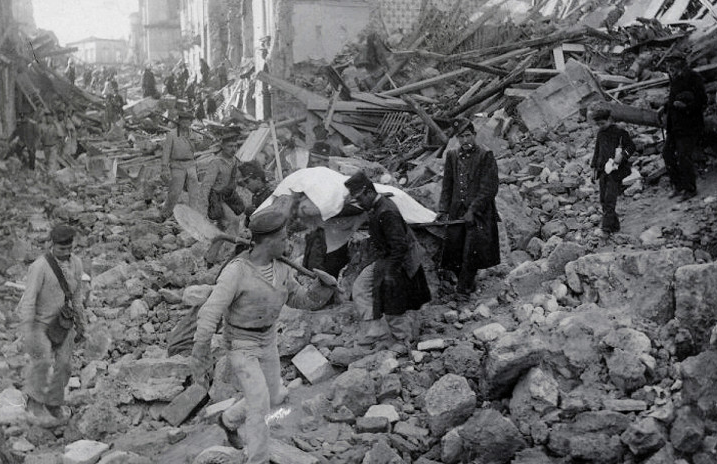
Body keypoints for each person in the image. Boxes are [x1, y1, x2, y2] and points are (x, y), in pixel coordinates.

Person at [191, 209, 336, 462]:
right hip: (241, 343)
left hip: (268, 340)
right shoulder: (236, 272)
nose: (287, 243)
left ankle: (228, 420)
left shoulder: (281, 268)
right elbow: (209, 313)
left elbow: (301, 299)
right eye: (283, 238)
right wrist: (200, 354)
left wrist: (322, 289)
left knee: (271, 395)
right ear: (268, 242)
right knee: (259, 405)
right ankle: (257, 459)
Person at [346, 171, 430, 353]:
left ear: (368, 192)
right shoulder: (377, 207)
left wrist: (391, 272)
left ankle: (403, 340)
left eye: (360, 199)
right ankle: (376, 330)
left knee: (393, 302)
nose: (359, 204)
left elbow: (399, 246)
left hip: (400, 260)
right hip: (387, 258)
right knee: (361, 286)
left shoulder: (387, 211)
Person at [19, 224, 87, 425]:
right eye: (61, 249)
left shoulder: (76, 264)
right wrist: (27, 329)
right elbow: (29, 299)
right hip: (39, 323)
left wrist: (82, 324)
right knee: (42, 362)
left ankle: (54, 402)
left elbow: (76, 297)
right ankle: (35, 402)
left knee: (65, 365)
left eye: (69, 249)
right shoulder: (39, 267)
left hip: (63, 322)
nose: (66, 253)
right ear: (52, 244)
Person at [436, 119, 500, 297]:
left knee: (472, 251)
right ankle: (469, 284)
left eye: (468, 136)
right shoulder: (452, 156)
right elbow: (447, 185)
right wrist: (443, 210)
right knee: (454, 251)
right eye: (461, 137)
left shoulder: (485, 155)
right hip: (457, 212)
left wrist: (473, 210)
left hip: (479, 213)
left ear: (474, 135)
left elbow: (489, 188)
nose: (465, 140)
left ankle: (462, 291)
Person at [661, 50, 707, 201]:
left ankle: (690, 189)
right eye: (667, 64)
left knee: (683, 157)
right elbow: (673, 99)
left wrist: (685, 107)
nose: (668, 67)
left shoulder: (694, 77)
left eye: (671, 64)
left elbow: (703, 102)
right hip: (674, 125)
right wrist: (664, 107)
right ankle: (678, 185)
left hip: (689, 125)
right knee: (667, 154)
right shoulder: (674, 78)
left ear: (680, 63)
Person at [589, 104, 637, 236]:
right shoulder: (600, 134)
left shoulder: (619, 132)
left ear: (609, 119)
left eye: (602, 123)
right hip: (603, 171)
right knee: (603, 200)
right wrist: (594, 168)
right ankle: (615, 226)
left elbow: (631, 146)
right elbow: (597, 151)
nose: (601, 126)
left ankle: (606, 229)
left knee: (610, 200)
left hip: (616, 172)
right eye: (598, 124)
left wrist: (622, 155)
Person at [160, 111, 201, 220]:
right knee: (175, 192)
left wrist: (205, 141)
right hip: (177, 165)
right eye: (183, 121)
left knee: (194, 192)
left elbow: (201, 147)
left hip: (190, 164)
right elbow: (166, 151)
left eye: (188, 121)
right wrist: (164, 167)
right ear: (179, 122)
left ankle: (194, 216)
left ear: (190, 122)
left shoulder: (193, 134)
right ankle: (165, 213)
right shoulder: (172, 134)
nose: (186, 123)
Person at [201, 135, 245, 228]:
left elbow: (234, 178)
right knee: (234, 221)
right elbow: (206, 184)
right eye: (230, 146)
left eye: (235, 146)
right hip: (216, 197)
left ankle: (216, 242)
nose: (233, 149)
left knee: (223, 226)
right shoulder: (216, 162)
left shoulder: (233, 160)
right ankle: (233, 242)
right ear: (223, 147)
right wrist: (205, 204)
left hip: (228, 195)